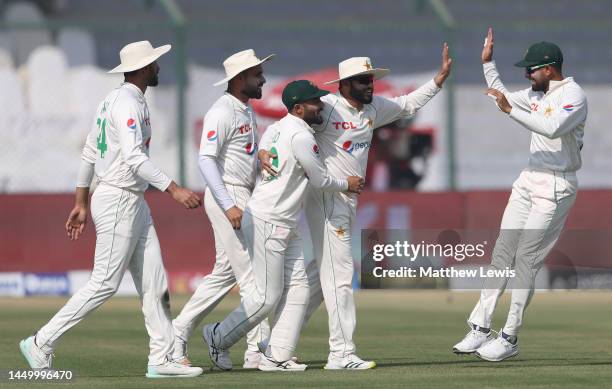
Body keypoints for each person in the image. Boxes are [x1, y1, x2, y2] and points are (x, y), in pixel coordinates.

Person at [18, 41, 204, 378]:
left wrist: (80, 201)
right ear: (143, 68)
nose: (159, 68)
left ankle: (161, 358)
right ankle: (41, 341)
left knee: (154, 279)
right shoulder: (128, 104)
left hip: (130, 199)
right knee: (104, 283)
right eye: (154, 63)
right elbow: (133, 157)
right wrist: (173, 189)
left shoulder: (111, 101)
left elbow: (90, 150)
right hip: (119, 197)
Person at [259, 44, 451, 369]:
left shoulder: (373, 108)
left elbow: (406, 105)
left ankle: (276, 345)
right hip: (326, 196)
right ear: (344, 84)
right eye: (362, 80)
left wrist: (439, 80)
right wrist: (264, 150)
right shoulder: (328, 107)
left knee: (322, 278)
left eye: (370, 79)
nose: (369, 85)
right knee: (342, 275)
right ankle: (342, 354)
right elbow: (283, 127)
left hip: (345, 199)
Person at [203, 80, 364, 372]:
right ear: (299, 108)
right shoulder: (302, 137)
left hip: (283, 221)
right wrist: (348, 184)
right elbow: (320, 180)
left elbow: (267, 140)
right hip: (269, 219)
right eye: (316, 102)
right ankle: (218, 336)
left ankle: (276, 356)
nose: (323, 106)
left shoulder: (281, 126)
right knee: (267, 297)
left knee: (300, 290)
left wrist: (264, 152)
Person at [452, 28, 587, 362]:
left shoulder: (574, 95)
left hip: (557, 184)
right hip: (529, 179)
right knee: (503, 252)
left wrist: (509, 111)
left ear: (550, 68)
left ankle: (509, 337)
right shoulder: (535, 93)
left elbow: (552, 127)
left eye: (532, 69)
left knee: (526, 259)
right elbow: (502, 96)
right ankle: (480, 327)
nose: (527, 74)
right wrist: (488, 64)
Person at [171, 49, 273, 370]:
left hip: (241, 193)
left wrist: (259, 157)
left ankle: (177, 333)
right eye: (257, 74)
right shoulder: (222, 111)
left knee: (225, 274)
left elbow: (237, 153)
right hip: (228, 195)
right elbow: (206, 160)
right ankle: (259, 349)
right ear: (240, 78)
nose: (263, 79)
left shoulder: (245, 109)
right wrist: (229, 204)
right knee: (255, 276)